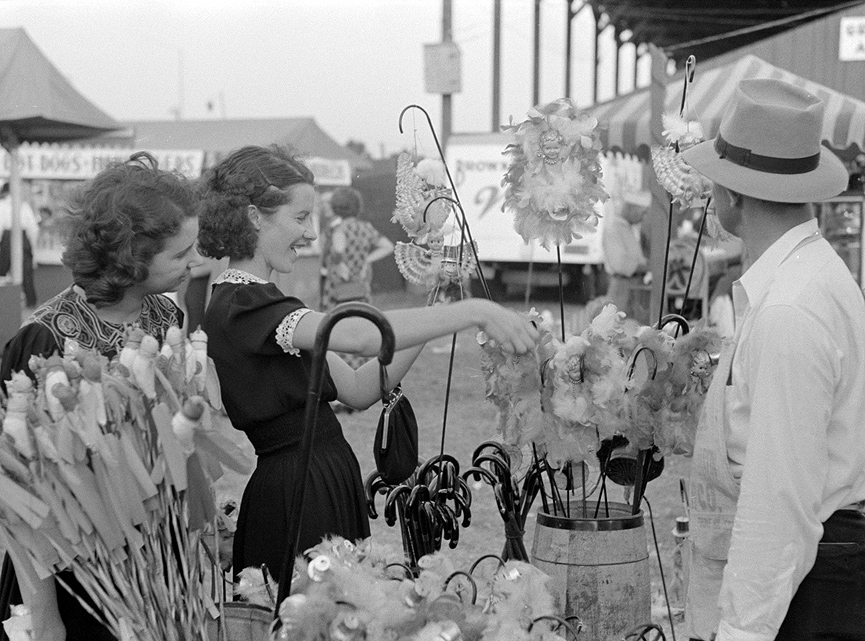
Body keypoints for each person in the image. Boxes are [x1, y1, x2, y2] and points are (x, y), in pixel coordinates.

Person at [196, 145, 539, 582]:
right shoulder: (241, 303)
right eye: (300, 218)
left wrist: (438, 303)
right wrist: (475, 311)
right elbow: (359, 333)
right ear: (253, 216)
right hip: (296, 493)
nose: (311, 235)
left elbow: (361, 387)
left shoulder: (262, 302)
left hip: (322, 481)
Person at [680, 78, 865, 641]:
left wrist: (741, 632)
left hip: (806, 593)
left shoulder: (790, 308)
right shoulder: (803, 278)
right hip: (812, 576)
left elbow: (778, 498)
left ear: (733, 195)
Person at [0, 152, 202, 641]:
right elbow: (21, 491)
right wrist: (45, 622)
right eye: (180, 254)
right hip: (72, 578)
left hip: (157, 565)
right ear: (131, 256)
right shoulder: (46, 338)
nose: (195, 263)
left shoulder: (166, 320)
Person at [601, 189, 650, 321]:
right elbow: (621, 264)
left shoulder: (627, 228)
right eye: (642, 213)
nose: (643, 218)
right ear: (633, 209)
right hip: (622, 287)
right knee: (617, 325)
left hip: (633, 285)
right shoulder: (614, 228)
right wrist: (648, 267)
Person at [0, 181, 40, 308]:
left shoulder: (2, 205)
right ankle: (31, 303)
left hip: (5, 238)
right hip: (23, 238)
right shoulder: (24, 206)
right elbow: (33, 229)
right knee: (26, 274)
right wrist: (31, 246)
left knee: (1, 272)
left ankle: (4, 303)